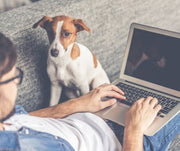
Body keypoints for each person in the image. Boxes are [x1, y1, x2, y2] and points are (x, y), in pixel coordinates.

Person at [0, 32, 179, 151]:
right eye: (13, 76)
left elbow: (25, 119)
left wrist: (79, 104)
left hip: (92, 115)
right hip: (127, 140)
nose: (17, 82)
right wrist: (134, 129)